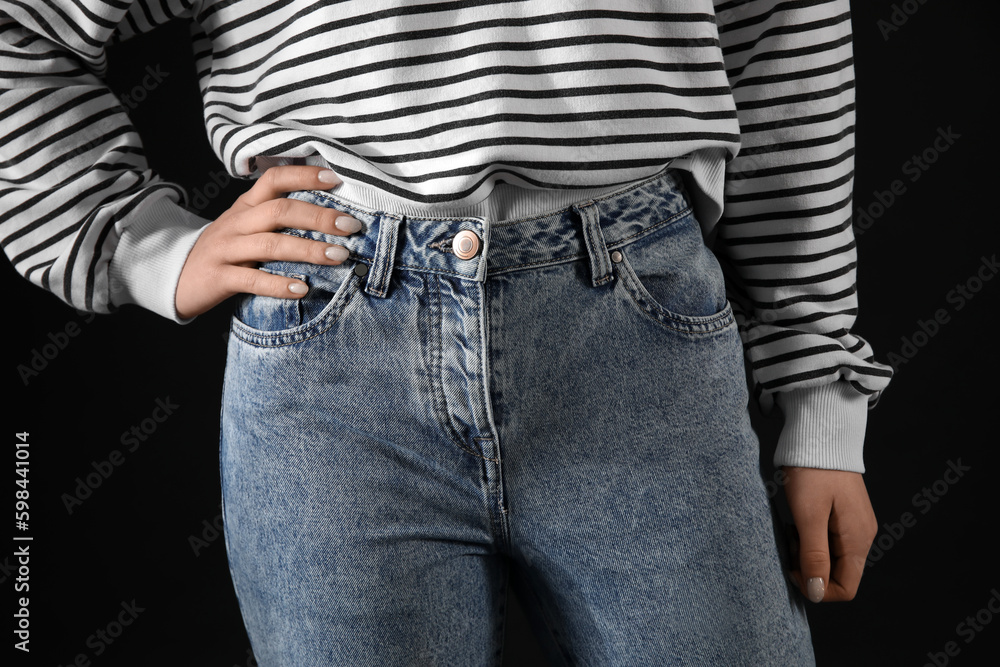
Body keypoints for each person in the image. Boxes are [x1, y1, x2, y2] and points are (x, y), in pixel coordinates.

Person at [0, 1, 893, 664]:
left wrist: (821, 402)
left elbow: (784, 47)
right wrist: (146, 244)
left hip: (641, 343)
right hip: (334, 363)